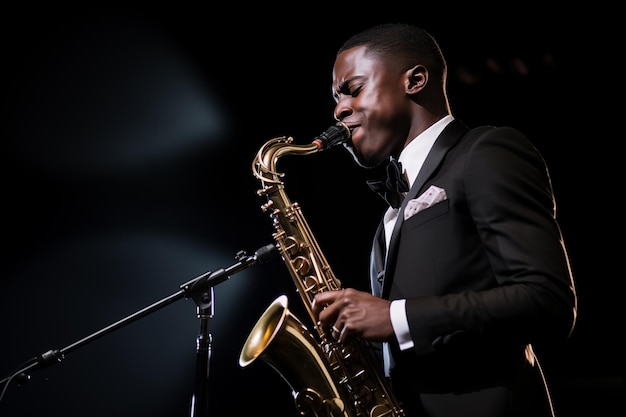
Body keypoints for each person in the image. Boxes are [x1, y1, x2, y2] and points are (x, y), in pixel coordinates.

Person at [311, 23, 577, 417]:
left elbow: (548, 301)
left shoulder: (486, 150)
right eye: (335, 98)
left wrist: (395, 316)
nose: (339, 109)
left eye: (353, 88)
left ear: (415, 80)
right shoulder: (392, 208)